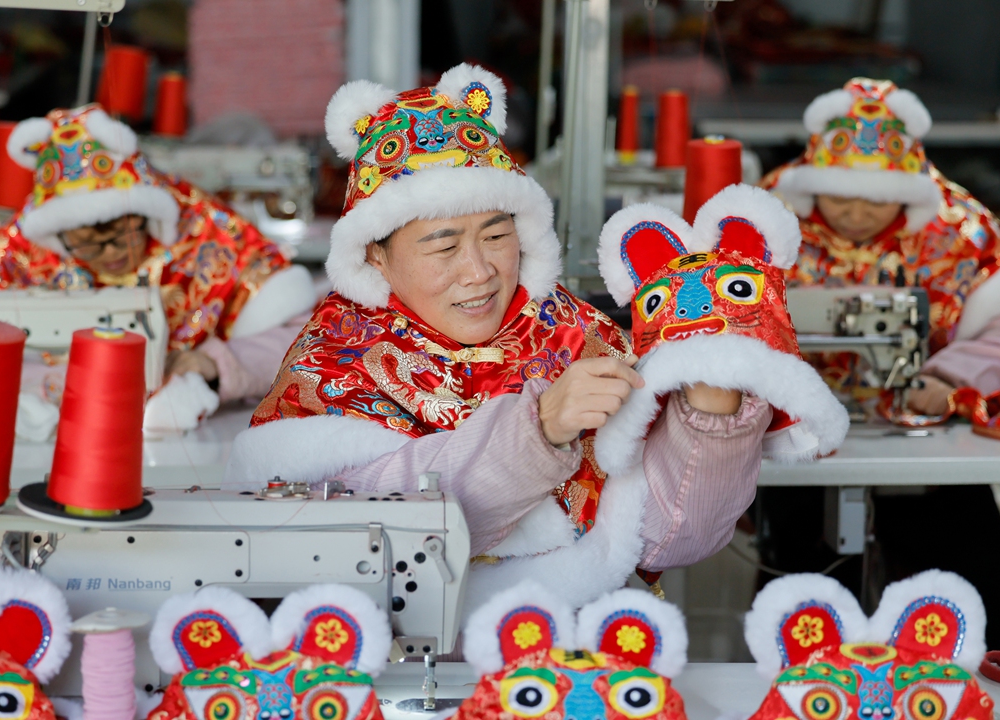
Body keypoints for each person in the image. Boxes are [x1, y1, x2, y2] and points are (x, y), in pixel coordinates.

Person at [224, 65, 847, 610]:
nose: (480, 271)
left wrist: (711, 409)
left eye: (497, 236)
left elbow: (670, 536)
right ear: (375, 257)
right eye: (442, 246)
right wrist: (537, 430)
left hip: (567, 659)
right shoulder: (338, 358)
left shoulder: (574, 334)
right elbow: (363, 532)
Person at [759, 77, 1000, 650]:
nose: (857, 214)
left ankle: (993, 675)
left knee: (975, 583)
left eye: (874, 201)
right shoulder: (767, 222)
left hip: (925, 443)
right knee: (800, 585)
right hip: (795, 438)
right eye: (841, 199)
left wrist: (948, 377)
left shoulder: (958, 231)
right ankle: (800, 679)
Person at [0, 105, 317, 414]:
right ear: (59, 237)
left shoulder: (206, 238)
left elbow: (307, 342)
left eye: (121, 236)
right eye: (87, 245)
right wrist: (56, 381)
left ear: (147, 216)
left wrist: (218, 364)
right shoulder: (24, 255)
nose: (111, 253)